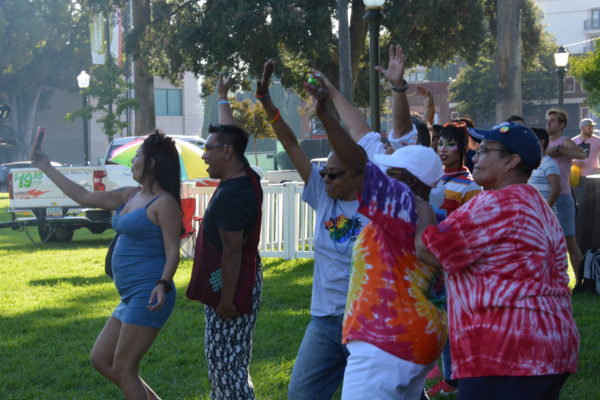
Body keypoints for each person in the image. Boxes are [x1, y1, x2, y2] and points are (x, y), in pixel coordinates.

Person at [306, 69, 447, 400]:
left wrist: (324, 115)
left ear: (410, 182)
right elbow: (362, 134)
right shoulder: (425, 205)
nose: (383, 176)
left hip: (386, 341)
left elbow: (356, 164)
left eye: (391, 173)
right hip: (416, 337)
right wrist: (331, 90)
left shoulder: (404, 204)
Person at [415, 122, 580, 400]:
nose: (474, 158)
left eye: (484, 151)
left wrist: (419, 206)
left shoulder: (494, 204)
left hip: (504, 353)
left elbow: (429, 251)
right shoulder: (536, 204)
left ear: (512, 161)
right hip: (552, 347)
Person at [32, 131, 182, 400]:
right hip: (129, 296)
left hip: (149, 293)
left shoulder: (165, 203)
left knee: (125, 368)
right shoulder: (129, 195)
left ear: (151, 164)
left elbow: (173, 250)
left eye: (137, 156)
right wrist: (45, 166)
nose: (132, 161)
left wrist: (163, 283)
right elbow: (82, 196)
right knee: (101, 359)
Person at [255, 60, 369, 399]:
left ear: (356, 177)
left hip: (367, 323)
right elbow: (292, 145)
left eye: (335, 174)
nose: (326, 179)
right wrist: (267, 103)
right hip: (324, 320)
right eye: (325, 173)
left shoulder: (376, 207)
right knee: (301, 393)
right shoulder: (322, 194)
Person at [186, 73, 263, 400]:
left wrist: (227, 301)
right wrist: (221, 96)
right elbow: (229, 135)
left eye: (208, 149)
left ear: (228, 153)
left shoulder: (234, 195)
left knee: (225, 367)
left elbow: (232, 253)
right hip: (237, 283)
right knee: (231, 364)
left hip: (232, 289)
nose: (204, 155)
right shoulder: (243, 175)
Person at [426, 120, 482, 397]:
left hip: (452, 262)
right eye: (441, 143)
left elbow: (471, 228)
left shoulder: (469, 186)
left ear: (463, 150)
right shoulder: (430, 179)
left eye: (451, 144)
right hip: (426, 261)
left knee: (451, 320)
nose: (444, 149)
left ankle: (453, 377)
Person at [545, 109, 586, 283]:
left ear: (562, 124)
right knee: (544, 241)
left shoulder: (565, 142)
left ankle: (581, 281)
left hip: (562, 197)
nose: (549, 123)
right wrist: (549, 151)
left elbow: (581, 155)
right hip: (543, 197)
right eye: (548, 120)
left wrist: (561, 150)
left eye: (553, 121)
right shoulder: (543, 142)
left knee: (570, 240)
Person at [528, 128, 561, 213]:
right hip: (532, 213)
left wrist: (544, 210)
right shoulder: (529, 163)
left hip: (545, 216)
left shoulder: (549, 163)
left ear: (541, 142)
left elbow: (556, 189)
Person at [572, 118, 600, 204]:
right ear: (582, 128)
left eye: (592, 127)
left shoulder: (598, 140)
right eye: (589, 128)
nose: (592, 130)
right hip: (578, 178)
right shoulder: (573, 141)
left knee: (596, 203)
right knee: (581, 203)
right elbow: (566, 158)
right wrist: (573, 162)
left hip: (594, 176)